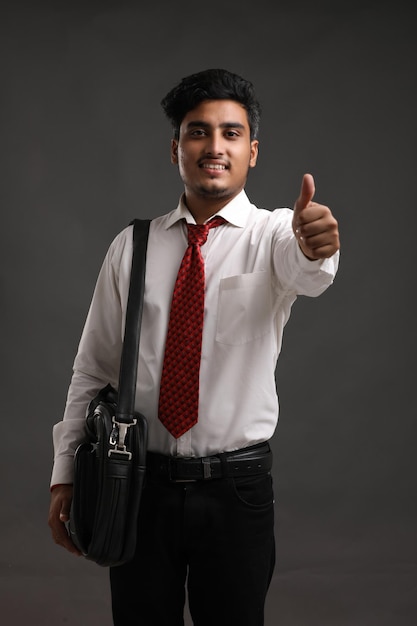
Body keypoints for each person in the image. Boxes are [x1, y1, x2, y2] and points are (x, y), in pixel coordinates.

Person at [48, 68, 340, 626]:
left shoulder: (276, 234)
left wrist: (317, 246)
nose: (214, 146)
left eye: (231, 133)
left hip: (237, 492)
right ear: (176, 147)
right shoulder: (132, 246)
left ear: (252, 151)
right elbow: (93, 369)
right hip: (137, 485)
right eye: (198, 131)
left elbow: (309, 269)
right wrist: (65, 472)